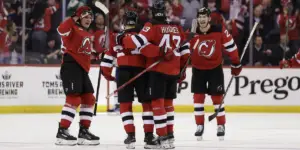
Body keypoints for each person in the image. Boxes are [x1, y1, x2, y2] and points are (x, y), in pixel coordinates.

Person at [115, 0, 190, 148]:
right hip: (173, 71)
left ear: (153, 12)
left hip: (158, 70)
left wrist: (123, 38)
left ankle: (162, 137)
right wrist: (182, 70)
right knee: (169, 104)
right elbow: (186, 50)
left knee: (157, 104)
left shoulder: (151, 26)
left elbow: (138, 42)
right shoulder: (176, 28)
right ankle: (169, 136)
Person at [100, 10, 158, 149]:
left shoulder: (116, 37)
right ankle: (149, 136)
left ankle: (130, 135)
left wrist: (107, 73)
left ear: (124, 21)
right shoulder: (142, 36)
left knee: (125, 105)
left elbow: (108, 57)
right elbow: (151, 53)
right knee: (147, 104)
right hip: (141, 72)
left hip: (123, 71)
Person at [188, 7, 242, 141]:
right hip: (198, 69)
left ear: (209, 18)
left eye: (204, 17)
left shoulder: (219, 29)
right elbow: (185, 48)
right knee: (198, 98)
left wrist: (236, 63)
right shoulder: (193, 31)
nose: (201, 19)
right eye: (199, 17)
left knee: (217, 98)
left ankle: (221, 125)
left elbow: (231, 46)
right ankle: (199, 125)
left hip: (215, 69)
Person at [55, 6, 99, 146]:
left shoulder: (86, 32)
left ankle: (84, 132)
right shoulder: (71, 28)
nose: (89, 19)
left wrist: (96, 54)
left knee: (89, 98)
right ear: (79, 17)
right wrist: (74, 17)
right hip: (71, 66)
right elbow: (60, 29)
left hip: (81, 69)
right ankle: (62, 131)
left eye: (90, 17)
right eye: (85, 16)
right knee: (74, 98)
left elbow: (82, 50)